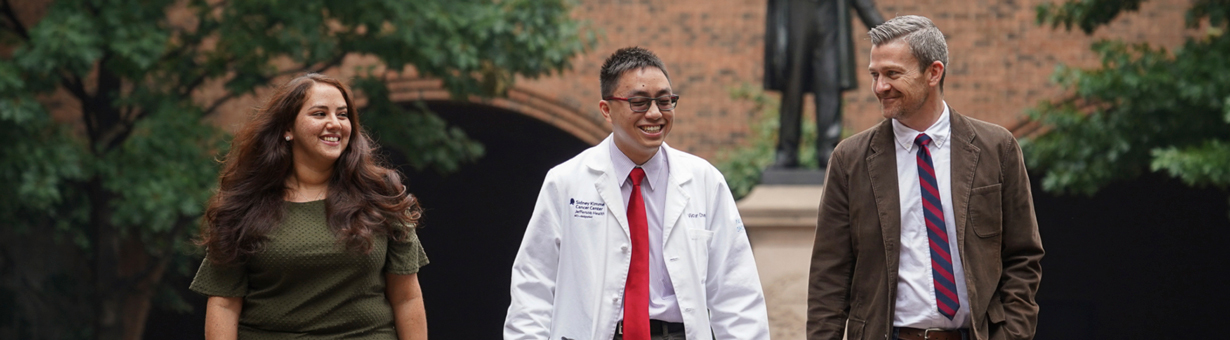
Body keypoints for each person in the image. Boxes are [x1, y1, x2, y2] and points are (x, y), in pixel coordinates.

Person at [503, 47, 770, 340]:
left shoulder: (704, 181)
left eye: (665, 101)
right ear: (606, 109)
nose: (655, 113)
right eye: (639, 102)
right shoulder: (566, 182)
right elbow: (534, 285)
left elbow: (737, 292)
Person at [807, 15, 1044, 340]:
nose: (880, 87)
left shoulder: (997, 148)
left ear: (934, 72)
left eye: (892, 74)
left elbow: (1023, 256)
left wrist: (1013, 335)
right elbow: (829, 276)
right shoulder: (850, 160)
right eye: (875, 75)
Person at [191, 73, 429, 340]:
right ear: (287, 129)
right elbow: (223, 304)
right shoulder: (245, 205)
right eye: (319, 114)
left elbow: (406, 297)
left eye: (342, 114)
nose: (334, 124)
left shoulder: (381, 194)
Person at [764, 0, 884, 169]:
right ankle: (787, 151)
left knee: (829, 84)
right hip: (795, 19)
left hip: (829, 22)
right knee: (792, 87)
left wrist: (889, 33)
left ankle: (828, 150)